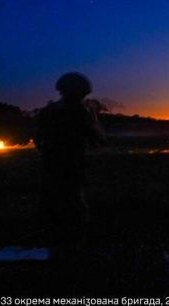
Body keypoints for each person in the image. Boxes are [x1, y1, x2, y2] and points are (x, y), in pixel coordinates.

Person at [35, 72, 104, 262]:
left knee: (52, 209)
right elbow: (98, 140)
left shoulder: (47, 112)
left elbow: (38, 140)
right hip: (72, 168)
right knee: (75, 211)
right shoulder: (80, 113)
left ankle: (56, 251)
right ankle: (71, 257)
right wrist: (93, 115)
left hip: (49, 168)